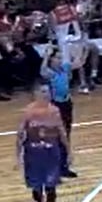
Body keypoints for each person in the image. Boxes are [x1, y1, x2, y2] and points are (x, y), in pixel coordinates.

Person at [16, 84, 69, 202]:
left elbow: (61, 132)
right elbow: (20, 134)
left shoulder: (54, 111)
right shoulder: (28, 112)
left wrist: (69, 152)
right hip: (33, 153)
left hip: (51, 152)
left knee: (51, 186)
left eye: (48, 91)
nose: (47, 94)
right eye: (43, 91)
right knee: (37, 187)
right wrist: (17, 156)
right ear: (36, 93)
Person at [40, 46, 78, 179]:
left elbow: (78, 62)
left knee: (66, 135)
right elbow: (42, 71)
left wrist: (78, 48)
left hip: (67, 104)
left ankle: (63, 167)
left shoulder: (65, 69)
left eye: (61, 58)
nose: (60, 60)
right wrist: (46, 55)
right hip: (56, 106)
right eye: (57, 58)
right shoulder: (51, 73)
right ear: (51, 60)